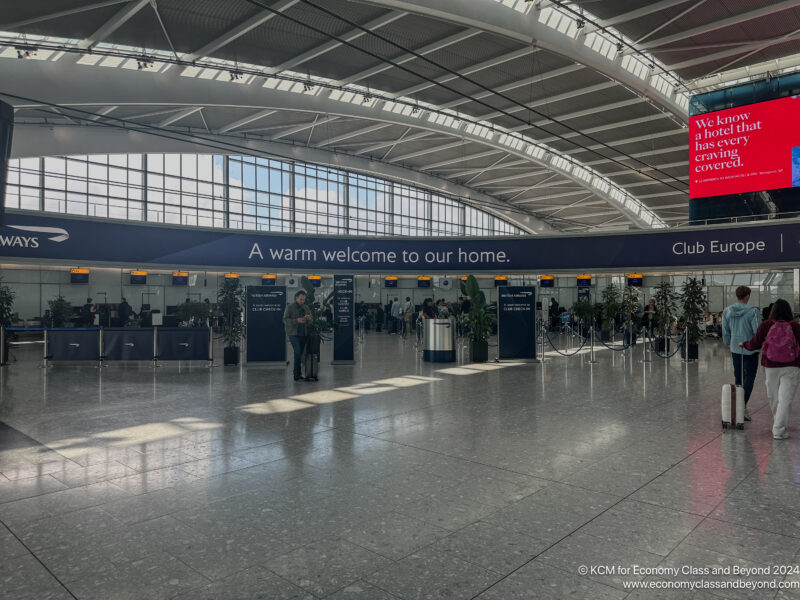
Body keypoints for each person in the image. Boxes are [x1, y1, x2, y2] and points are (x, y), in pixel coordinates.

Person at [740, 299, 800, 439]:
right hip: (792, 366)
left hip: (770, 365)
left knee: (773, 396)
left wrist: (744, 344)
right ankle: (779, 428)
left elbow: (755, 344)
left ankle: (778, 422)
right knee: (785, 399)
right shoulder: (795, 326)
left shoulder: (766, 325)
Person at [722, 285, 762, 421]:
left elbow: (725, 331)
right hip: (750, 349)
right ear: (747, 296)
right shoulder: (753, 311)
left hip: (735, 348)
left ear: (737, 296)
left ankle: (739, 406)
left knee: (738, 378)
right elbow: (758, 331)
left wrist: (729, 342)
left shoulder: (727, 311)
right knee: (749, 377)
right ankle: (742, 406)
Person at [283, 290, 312, 382]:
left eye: (303, 300)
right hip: (293, 334)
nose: (302, 301)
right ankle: (296, 374)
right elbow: (285, 319)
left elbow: (310, 321)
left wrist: (309, 319)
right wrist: (296, 320)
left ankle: (299, 374)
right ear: (296, 298)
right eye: (300, 299)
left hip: (303, 333)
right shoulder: (290, 307)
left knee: (300, 354)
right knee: (297, 352)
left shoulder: (306, 307)